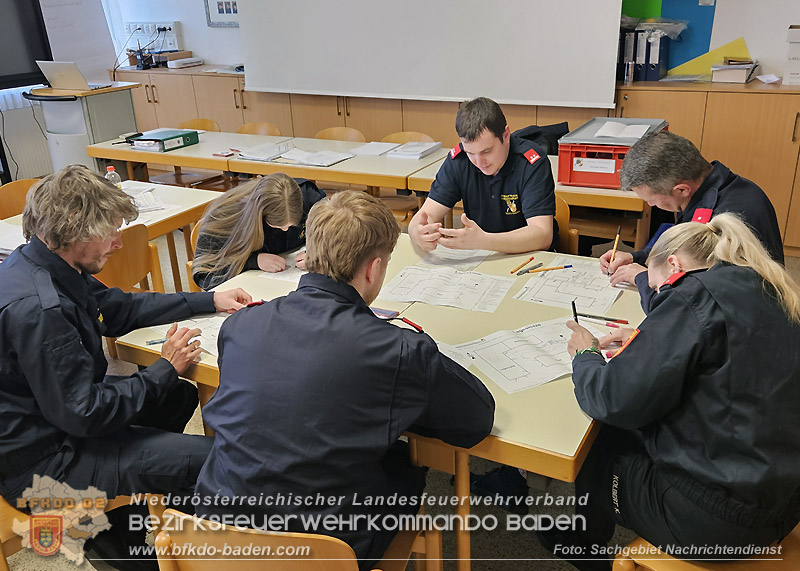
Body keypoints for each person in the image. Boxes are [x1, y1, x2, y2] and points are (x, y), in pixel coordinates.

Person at [195, 191, 495, 570]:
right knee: (407, 467)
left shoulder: (241, 323)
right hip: (324, 550)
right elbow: (475, 422)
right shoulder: (398, 349)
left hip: (217, 535)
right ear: (373, 269)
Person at [0, 165, 251, 570]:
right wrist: (164, 367)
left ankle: (116, 529)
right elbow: (84, 412)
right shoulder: (41, 310)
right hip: (43, 466)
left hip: (54, 427)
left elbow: (119, 307)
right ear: (71, 229)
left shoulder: (44, 263)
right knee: (215, 461)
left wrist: (209, 300)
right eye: (110, 232)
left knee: (179, 395)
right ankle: (158, 557)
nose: (118, 243)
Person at [545, 213, 800, 571]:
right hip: (781, 500)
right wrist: (647, 341)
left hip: (717, 523)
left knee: (602, 438)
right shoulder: (766, 286)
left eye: (656, 288)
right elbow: (719, 357)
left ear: (675, 265)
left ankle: (584, 549)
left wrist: (585, 354)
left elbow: (610, 399)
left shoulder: (690, 296)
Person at [600, 131, 783, 311]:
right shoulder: (715, 189)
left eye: (652, 200)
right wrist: (636, 257)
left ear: (681, 190)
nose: (651, 205)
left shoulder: (726, 221)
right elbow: (683, 249)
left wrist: (642, 278)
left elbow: (689, 305)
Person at [408, 96, 556, 254]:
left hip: (528, 256)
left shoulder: (531, 162)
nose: (479, 162)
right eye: (471, 152)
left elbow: (542, 235)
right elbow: (426, 215)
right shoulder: (459, 160)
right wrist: (417, 232)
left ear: (506, 135)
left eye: (487, 151)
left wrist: (484, 241)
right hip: (481, 256)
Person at [192, 173, 325, 290]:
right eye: (277, 226)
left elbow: (336, 235)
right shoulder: (224, 217)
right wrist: (252, 262)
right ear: (259, 215)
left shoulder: (308, 196)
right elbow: (204, 274)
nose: (285, 230)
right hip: (253, 290)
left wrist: (318, 254)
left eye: (291, 226)